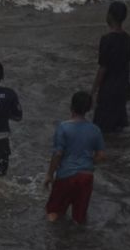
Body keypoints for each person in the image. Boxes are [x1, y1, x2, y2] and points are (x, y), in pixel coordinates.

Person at [44, 92, 105, 225]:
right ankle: (79, 243)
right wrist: (89, 163)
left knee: (53, 212)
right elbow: (101, 155)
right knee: (79, 217)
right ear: (89, 108)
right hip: (86, 177)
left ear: (71, 106)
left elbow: (58, 154)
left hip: (66, 176)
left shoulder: (63, 127)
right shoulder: (95, 130)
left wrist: (49, 175)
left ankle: (49, 240)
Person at [92, 1, 130, 133]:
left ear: (110, 16)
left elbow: (103, 68)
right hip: (122, 88)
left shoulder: (106, 40)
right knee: (118, 127)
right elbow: (127, 66)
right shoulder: (128, 39)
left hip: (108, 89)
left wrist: (93, 91)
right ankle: (117, 152)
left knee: (101, 128)